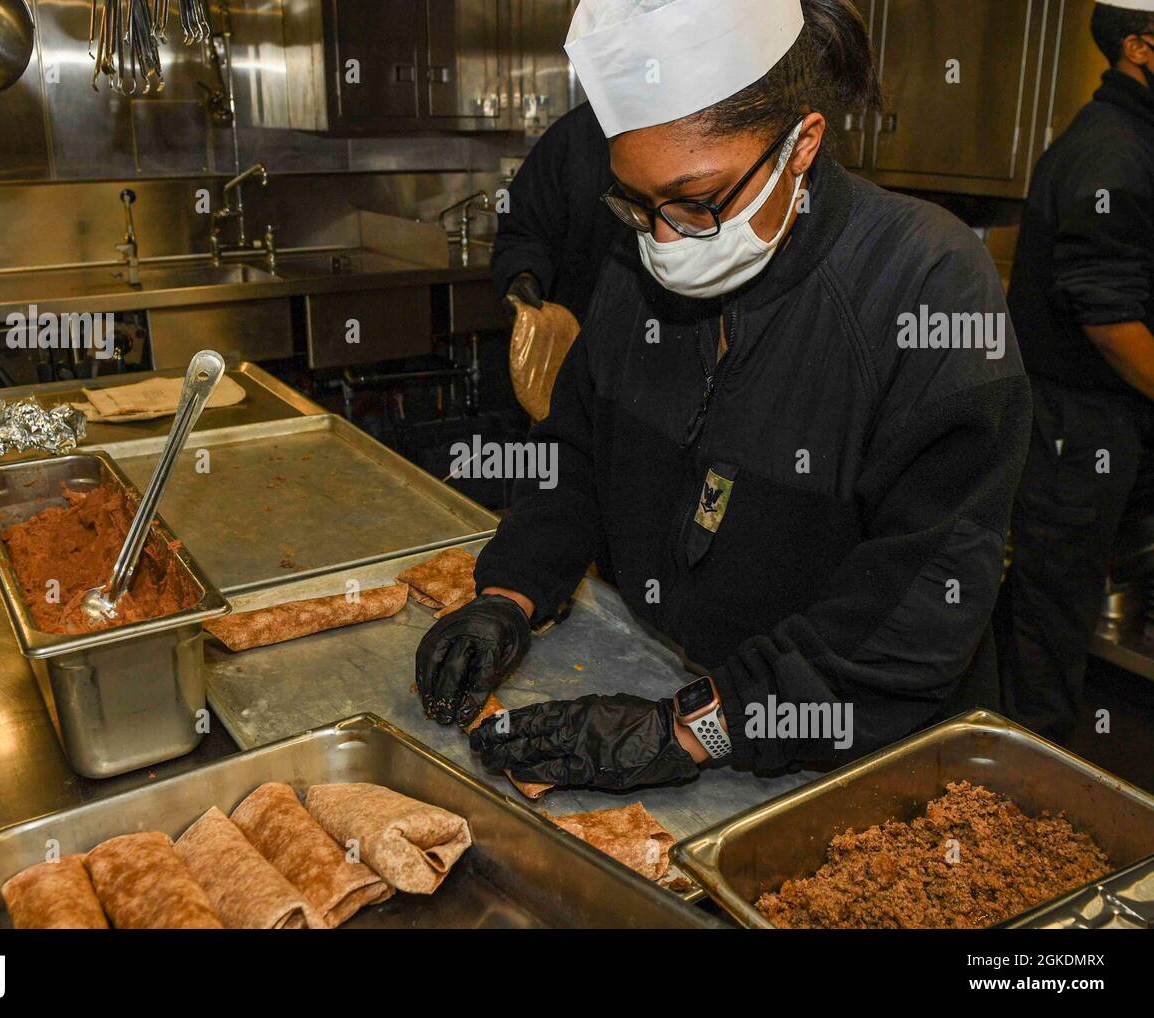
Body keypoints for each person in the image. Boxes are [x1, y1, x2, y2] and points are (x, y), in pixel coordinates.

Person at [417, 0, 1032, 792]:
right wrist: (509, 592)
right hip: (678, 683)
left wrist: (691, 729)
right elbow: (577, 456)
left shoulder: (927, 285)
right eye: (637, 205)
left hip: (862, 759)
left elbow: (917, 606)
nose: (665, 243)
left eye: (699, 201)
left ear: (801, 143)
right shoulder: (636, 268)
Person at [1000, 1, 1154, 743]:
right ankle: (1027, 784)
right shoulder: (1113, 151)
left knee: (1046, 599)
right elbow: (1109, 318)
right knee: (1049, 614)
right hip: (1076, 423)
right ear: (1141, 47)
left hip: (1100, 419)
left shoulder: (1134, 139)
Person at [490, 102, 621, 321]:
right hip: (579, 329)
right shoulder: (576, 135)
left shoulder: (694, 128)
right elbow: (524, 230)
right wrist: (523, 274)